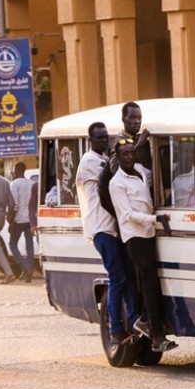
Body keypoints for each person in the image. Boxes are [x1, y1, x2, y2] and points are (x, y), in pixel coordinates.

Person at [76, 122, 143, 345]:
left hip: (115, 229)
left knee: (128, 275)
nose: (103, 141)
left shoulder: (104, 159)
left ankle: (134, 319)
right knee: (117, 277)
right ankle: (116, 330)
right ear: (90, 140)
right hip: (101, 228)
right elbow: (106, 188)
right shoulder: (89, 163)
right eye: (99, 138)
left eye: (106, 137)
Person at [109, 138, 178, 352]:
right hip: (135, 237)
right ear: (117, 157)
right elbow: (128, 215)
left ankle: (147, 321)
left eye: (132, 153)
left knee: (154, 282)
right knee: (150, 284)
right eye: (125, 154)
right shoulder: (117, 183)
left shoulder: (139, 170)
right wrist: (155, 219)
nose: (130, 157)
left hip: (148, 233)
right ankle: (157, 336)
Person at [9, 162, 35, 283]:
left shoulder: (14, 184)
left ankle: (24, 267)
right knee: (29, 245)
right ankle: (30, 269)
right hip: (29, 219)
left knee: (12, 244)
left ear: (16, 170)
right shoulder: (31, 183)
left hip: (18, 219)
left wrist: (11, 220)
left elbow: (14, 204)